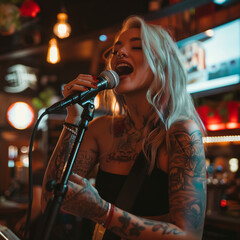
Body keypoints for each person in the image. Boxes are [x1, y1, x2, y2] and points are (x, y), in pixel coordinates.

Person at [42, 15, 207, 240]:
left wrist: (103, 212)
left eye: (137, 47)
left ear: (162, 65)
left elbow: (189, 235)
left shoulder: (180, 133)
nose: (119, 52)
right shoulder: (101, 130)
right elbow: (50, 201)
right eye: (116, 49)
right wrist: (73, 117)